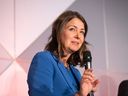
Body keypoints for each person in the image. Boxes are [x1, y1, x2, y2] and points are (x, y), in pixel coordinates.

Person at [27, 10, 99, 96]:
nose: (78, 36)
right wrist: (80, 94)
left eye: (82, 32)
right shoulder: (44, 59)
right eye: (72, 29)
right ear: (59, 32)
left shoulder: (75, 72)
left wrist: (88, 92)